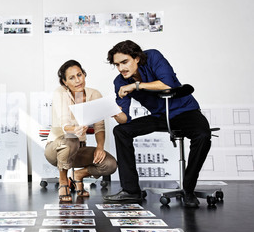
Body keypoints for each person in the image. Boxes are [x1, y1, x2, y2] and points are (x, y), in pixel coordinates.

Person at [103, 40, 212, 207]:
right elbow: (124, 117)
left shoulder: (152, 56)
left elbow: (168, 84)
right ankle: (131, 191)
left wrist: (136, 85)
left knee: (203, 135)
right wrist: (115, 112)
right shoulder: (120, 81)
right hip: (160, 116)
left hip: (185, 110)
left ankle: (188, 188)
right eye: (117, 65)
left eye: (124, 62)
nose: (121, 68)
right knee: (121, 131)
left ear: (137, 58)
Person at [45, 59, 117, 202]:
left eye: (79, 75)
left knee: (110, 164)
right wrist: (74, 129)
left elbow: (99, 126)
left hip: (78, 149)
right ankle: (63, 180)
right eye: (72, 78)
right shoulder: (60, 93)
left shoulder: (94, 94)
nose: (78, 80)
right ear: (64, 82)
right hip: (57, 148)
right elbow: (64, 123)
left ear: (84, 74)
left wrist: (100, 147)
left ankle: (78, 175)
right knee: (71, 138)